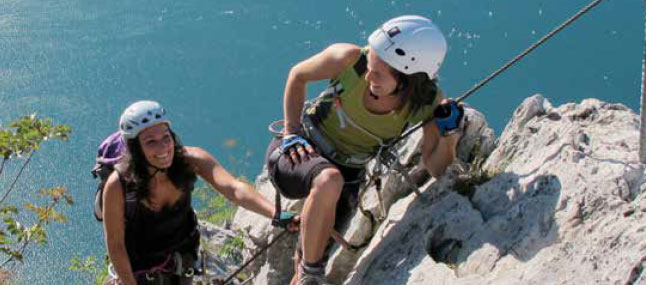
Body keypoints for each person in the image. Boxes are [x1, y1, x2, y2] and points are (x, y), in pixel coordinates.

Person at [265, 15, 464, 284]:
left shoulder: (425, 102)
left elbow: (436, 167)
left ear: (407, 79)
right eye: (371, 64)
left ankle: (306, 274)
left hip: (347, 177)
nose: (369, 75)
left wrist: (449, 135)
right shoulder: (349, 59)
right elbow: (298, 75)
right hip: (298, 151)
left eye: (379, 73)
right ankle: (312, 275)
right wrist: (291, 132)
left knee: (308, 256)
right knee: (327, 181)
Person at [102, 100, 296, 284]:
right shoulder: (118, 185)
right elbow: (116, 244)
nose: (163, 148)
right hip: (137, 272)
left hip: (180, 265)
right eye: (151, 142)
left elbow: (233, 188)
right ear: (135, 148)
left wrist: (276, 213)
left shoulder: (190, 159)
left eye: (166, 137)